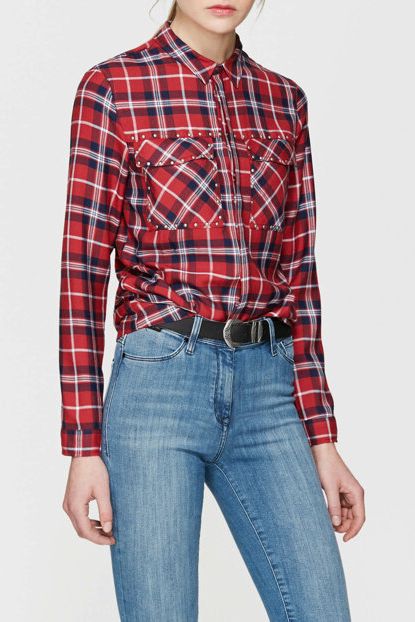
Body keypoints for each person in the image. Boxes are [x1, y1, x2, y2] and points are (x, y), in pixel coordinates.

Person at [60, 1, 364, 619]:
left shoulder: (284, 101)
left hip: (269, 390)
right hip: (158, 386)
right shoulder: (113, 87)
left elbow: (300, 277)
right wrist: (83, 445)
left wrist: (322, 437)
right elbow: (82, 275)